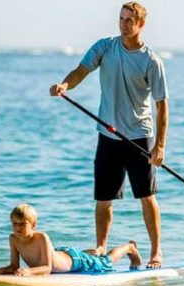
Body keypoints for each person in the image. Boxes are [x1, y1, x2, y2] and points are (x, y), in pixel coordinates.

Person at [49, 1, 168, 268]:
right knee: (103, 199)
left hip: (139, 136)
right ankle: (102, 245)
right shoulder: (105, 47)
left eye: (129, 20)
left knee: (146, 197)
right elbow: (81, 71)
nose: (124, 24)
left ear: (141, 24)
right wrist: (64, 85)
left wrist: (159, 146)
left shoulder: (151, 61)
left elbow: (162, 105)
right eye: (121, 18)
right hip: (108, 135)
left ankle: (156, 252)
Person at [0, 204, 143, 276]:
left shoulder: (41, 237)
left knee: (105, 262)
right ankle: (94, 252)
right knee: (95, 256)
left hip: (74, 260)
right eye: (14, 224)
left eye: (22, 224)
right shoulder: (13, 239)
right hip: (60, 254)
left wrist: (28, 272)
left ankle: (129, 248)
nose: (17, 228)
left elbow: (47, 268)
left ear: (33, 224)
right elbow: (14, 265)